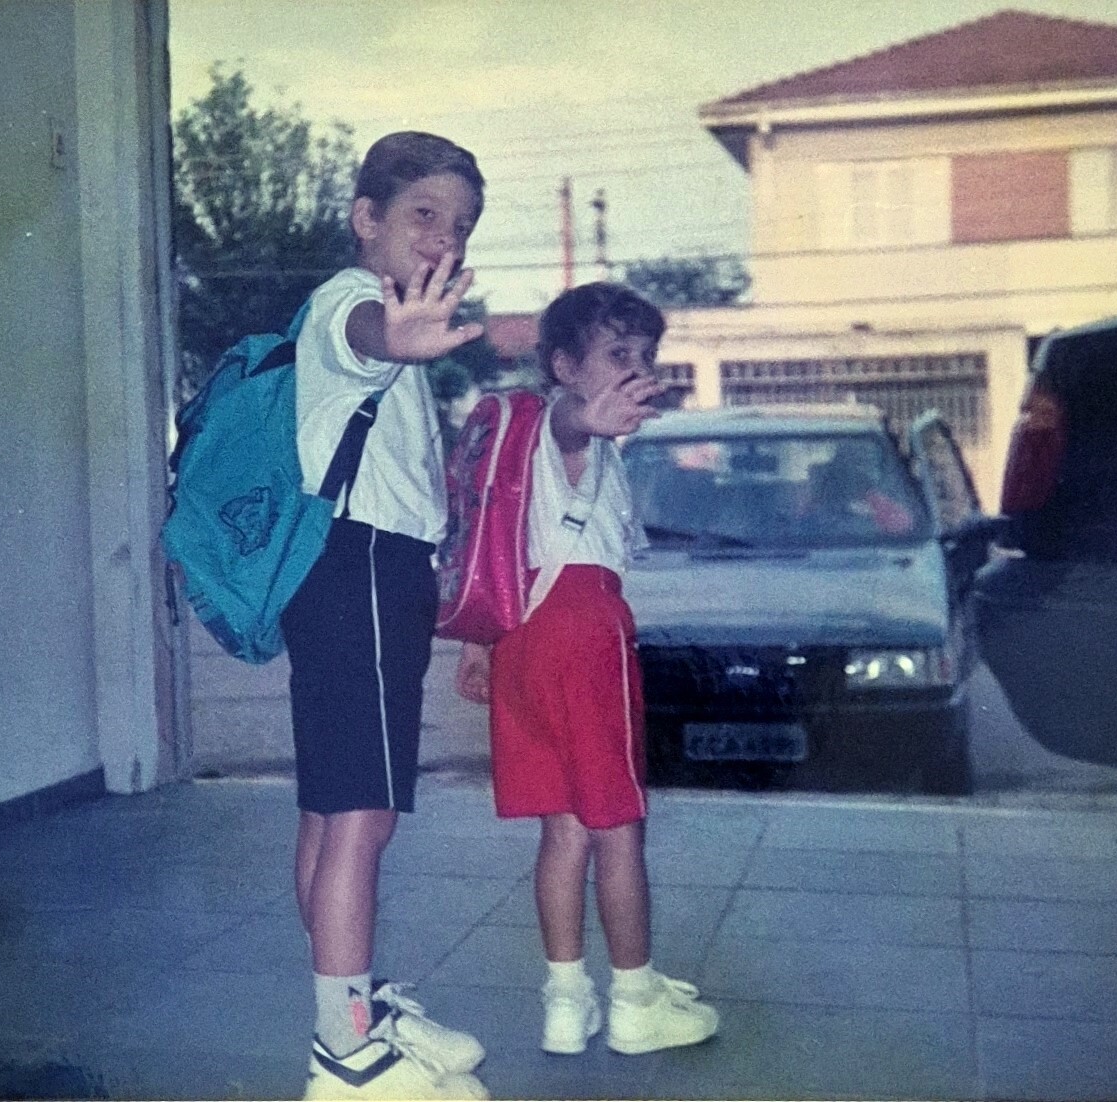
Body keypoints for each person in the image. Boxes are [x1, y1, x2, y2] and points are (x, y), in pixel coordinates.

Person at [454, 283, 721, 1058]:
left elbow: (509, 535)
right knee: (618, 827)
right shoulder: (564, 427)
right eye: (617, 356)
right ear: (565, 366)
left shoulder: (538, 437)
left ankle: (566, 1001)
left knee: (564, 827)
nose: (638, 371)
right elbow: (570, 423)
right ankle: (634, 998)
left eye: (645, 356)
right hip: (583, 633)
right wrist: (588, 415)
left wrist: (481, 642)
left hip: (524, 635)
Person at [286, 131, 490, 1101]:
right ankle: (345, 1056)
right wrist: (395, 338)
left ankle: (353, 1010)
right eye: (422, 216)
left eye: (459, 226)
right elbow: (364, 332)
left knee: (332, 811)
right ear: (366, 219)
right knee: (363, 812)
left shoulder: (381, 321)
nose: (442, 240)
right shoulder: (350, 304)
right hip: (360, 563)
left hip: (350, 566)